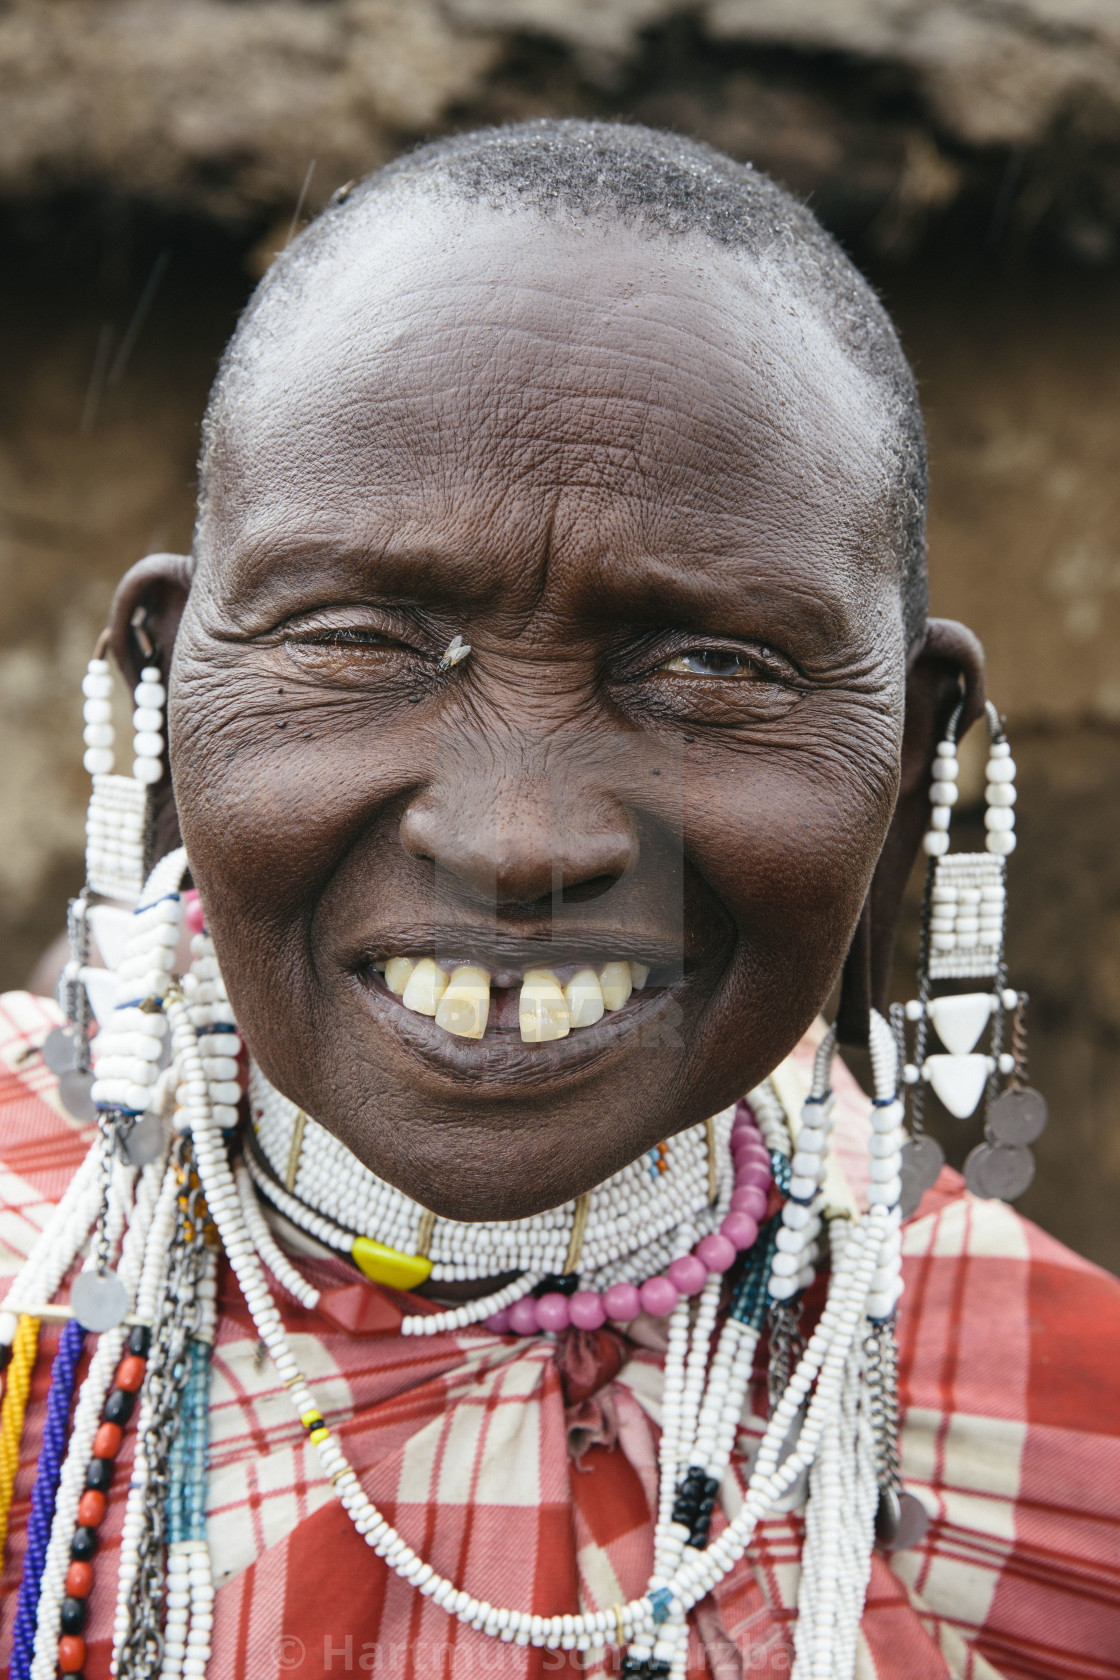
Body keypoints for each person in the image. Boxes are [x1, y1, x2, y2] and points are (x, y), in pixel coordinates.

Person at [0, 121, 1116, 1680]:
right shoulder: (29, 1274)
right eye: (365, 637)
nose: (517, 840)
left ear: (921, 750)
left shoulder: (1038, 1429)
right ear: (166, 687)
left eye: (711, 665)